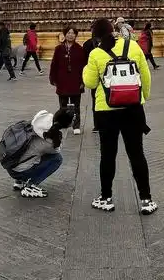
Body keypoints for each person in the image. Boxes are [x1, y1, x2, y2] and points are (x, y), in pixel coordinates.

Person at [83, 17, 157, 214]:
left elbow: (89, 83)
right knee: (137, 154)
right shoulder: (132, 46)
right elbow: (145, 75)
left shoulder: (96, 53)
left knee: (108, 155)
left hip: (106, 111)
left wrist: (87, 68)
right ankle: (146, 199)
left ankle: (106, 197)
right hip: (133, 109)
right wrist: (142, 98)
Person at [1, 106, 74, 198]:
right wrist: (63, 134)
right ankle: (30, 185)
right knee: (57, 159)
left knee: (33, 152)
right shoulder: (50, 140)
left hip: (11, 166)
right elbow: (57, 150)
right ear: (66, 123)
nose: (74, 121)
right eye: (73, 119)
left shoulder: (42, 120)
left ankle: (19, 181)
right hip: (19, 171)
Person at [49, 26, 86, 134]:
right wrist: (53, 78)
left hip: (76, 81)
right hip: (62, 81)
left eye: (73, 33)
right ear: (65, 35)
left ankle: (76, 126)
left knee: (76, 106)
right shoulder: (59, 49)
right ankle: (62, 123)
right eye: (69, 33)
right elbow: (54, 65)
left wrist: (83, 81)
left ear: (76, 35)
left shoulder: (80, 49)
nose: (71, 35)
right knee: (63, 106)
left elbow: (84, 66)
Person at [82, 28, 100, 132]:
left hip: (93, 76)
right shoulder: (111, 43)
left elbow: (84, 63)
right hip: (108, 76)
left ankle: (97, 125)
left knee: (95, 101)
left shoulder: (87, 44)